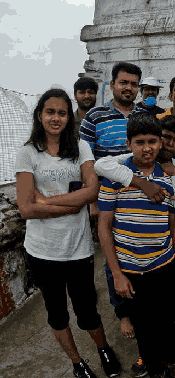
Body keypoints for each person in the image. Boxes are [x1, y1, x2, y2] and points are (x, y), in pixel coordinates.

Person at [16, 88, 121, 378]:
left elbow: (92, 190)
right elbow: (25, 208)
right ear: (40, 114)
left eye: (62, 112)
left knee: (87, 311)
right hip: (42, 250)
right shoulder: (28, 153)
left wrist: (47, 202)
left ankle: (103, 347)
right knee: (57, 314)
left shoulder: (80, 147)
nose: (56, 118)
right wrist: (70, 207)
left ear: (68, 117)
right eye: (50, 112)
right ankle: (77, 363)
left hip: (78, 248)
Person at [94, 116, 175, 365]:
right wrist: (117, 274)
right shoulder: (116, 178)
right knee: (142, 322)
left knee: (165, 319)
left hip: (163, 266)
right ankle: (152, 364)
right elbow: (104, 227)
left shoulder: (169, 177)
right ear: (129, 144)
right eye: (139, 142)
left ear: (160, 143)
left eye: (153, 141)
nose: (147, 148)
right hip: (129, 269)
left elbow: (174, 224)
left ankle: (171, 363)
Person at [79, 62, 148, 160]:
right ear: (112, 85)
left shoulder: (145, 116)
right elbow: (85, 159)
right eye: (123, 82)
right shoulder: (94, 116)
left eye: (134, 84)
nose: (128, 88)